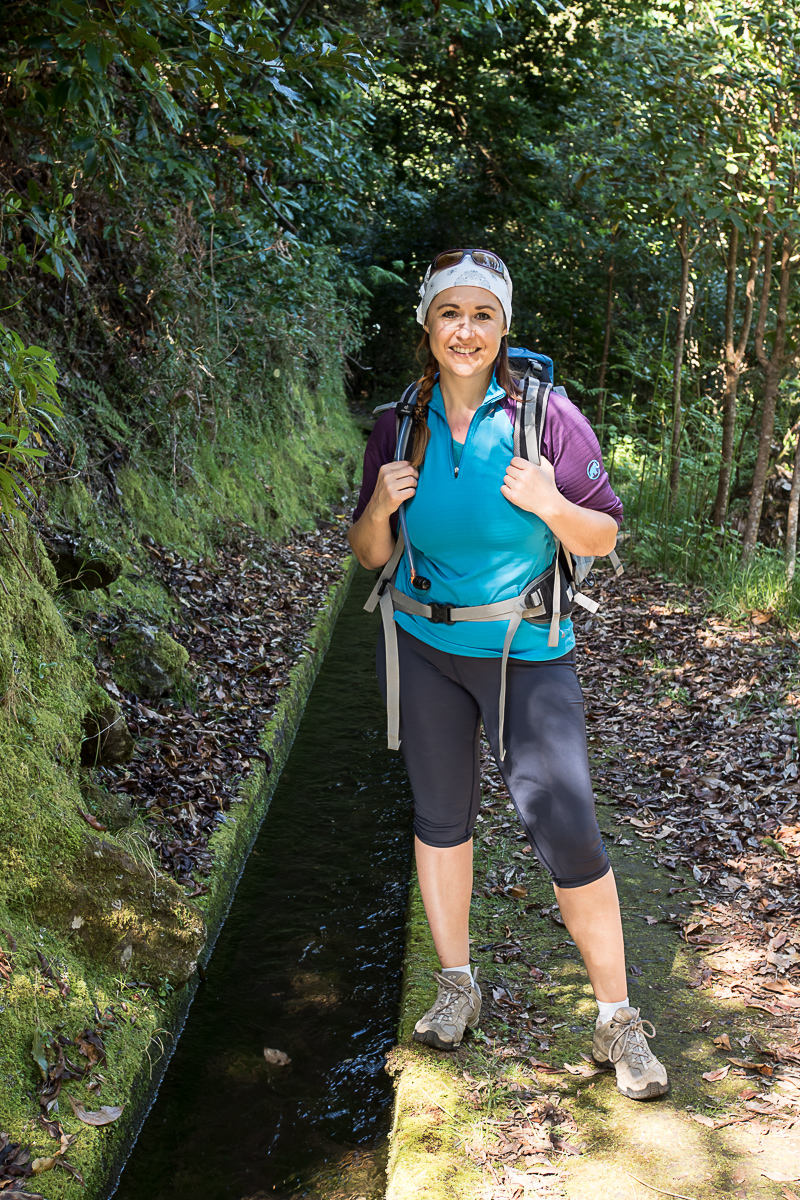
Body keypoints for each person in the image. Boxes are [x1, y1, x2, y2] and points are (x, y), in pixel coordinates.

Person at [348, 248, 668, 1101]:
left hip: (527, 651)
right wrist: (379, 503)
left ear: (503, 327)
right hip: (423, 648)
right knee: (439, 819)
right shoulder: (400, 422)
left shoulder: (546, 415)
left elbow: (602, 534)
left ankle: (617, 1020)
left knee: (566, 825)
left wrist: (551, 504)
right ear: (427, 323)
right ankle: (457, 986)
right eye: (451, 313)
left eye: (482, 316)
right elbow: (370, 553)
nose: (466, 330)